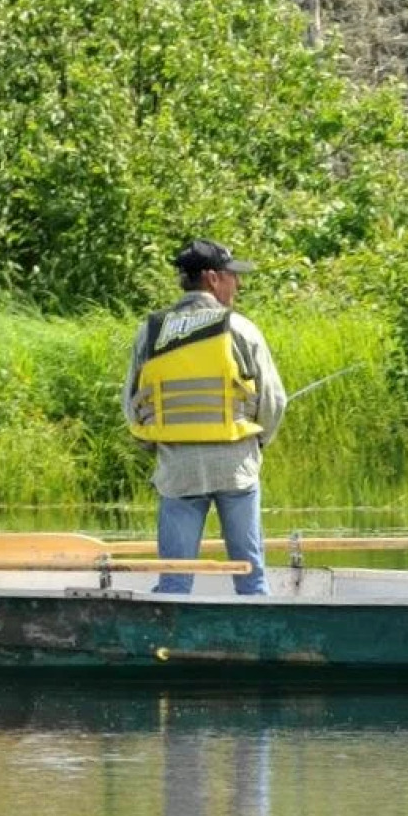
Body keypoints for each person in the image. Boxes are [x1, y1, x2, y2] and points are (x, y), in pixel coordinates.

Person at [124, 239, 286, 595]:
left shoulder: (150, 333)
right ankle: (259, 638)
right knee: (251, 576)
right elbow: (274, 401)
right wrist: (257, 442)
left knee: (175, 579)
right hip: (236, 467)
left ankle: (165, 643)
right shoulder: (241, 329)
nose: (237, 284)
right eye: (232, 276)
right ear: (213, 279)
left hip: (177, 469)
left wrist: (155, 444)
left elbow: (132, 405)